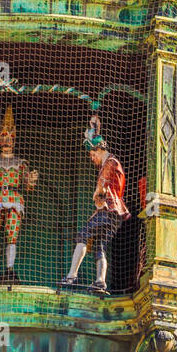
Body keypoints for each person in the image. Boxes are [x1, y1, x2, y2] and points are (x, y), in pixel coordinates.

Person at [60, 116, 130, 297]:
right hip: (117, 215)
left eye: (92, 154)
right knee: (99, 246)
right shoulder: (112, 163)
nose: (92, 158)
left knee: (83, 234)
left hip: (109, 210)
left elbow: (103, 187)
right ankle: (100, 281)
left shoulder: (110, 162)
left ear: (99, 150)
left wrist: (96, 194)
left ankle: (71, 276)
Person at [0, 106, 38, 283]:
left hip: (14, 200)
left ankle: (10, 270)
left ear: (14, 139)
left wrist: (32, 179)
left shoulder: (20, 162)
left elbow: (28, 186)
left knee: (11, 235)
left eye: (10, 137)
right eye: (4, 136)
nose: (7, 140)